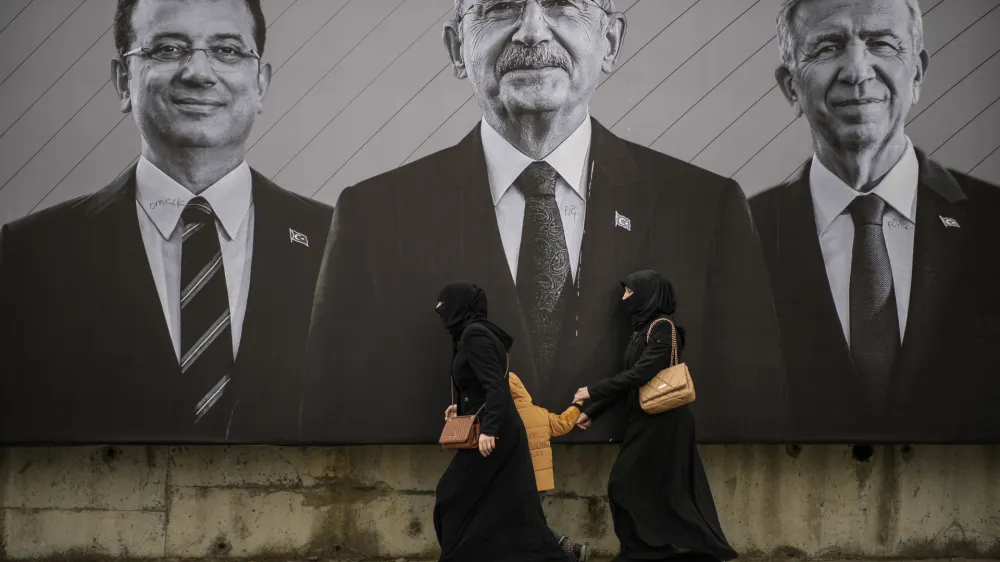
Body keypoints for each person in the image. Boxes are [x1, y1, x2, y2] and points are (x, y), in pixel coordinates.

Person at [302, 0, 787, 444]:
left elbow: (757, 423)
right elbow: (328, 430)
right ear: (456, 47)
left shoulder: (708, 210)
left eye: (562, 4)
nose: (532, 31)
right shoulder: (373, 218)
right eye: (500, 7)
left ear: (610, 41)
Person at [0, 0, 333, 444]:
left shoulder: (340, 243)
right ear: (124, 80)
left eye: (227, 50)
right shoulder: (30, 256)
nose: (198, 72)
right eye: (169, 49)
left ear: (260, 84)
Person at [748, 0, 1000, 441]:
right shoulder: (741, 235)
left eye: (881, 43)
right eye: (828, 47)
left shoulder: (992, 222)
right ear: (791, 87)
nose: (857, 70)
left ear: (917, 73)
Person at [573, 270, 737, 562]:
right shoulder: (641, 330)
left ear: (648, 295)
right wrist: (594, 412)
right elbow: (629, 378)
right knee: (648, 490)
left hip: (665, 422)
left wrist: (592, 391)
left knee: (635, 486)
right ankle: (647, 551)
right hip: (645, 420)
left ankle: (660, 551)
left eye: (629, 292)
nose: (624, 298)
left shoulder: (662, 327)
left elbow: (641, 373)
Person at [432, 281, 569, 561]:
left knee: (453, 494)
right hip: (497, 431)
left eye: (443, 303)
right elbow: (481, 387)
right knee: (507, 507)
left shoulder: (474, 335)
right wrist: (461, 409)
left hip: (495, 437)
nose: (439, 309)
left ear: (460, 304)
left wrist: (490, 430)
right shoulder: (472, 334)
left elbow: (496, 386)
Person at [509, 371, 589, 560]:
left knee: (527, 524)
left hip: (519, 482)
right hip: (541, 483)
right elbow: (563, 423)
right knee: (529, 523)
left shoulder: (506, 417)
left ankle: (568, 549)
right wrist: (577, 405)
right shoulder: (540, 414)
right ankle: (569, 549)